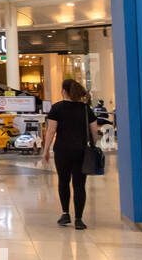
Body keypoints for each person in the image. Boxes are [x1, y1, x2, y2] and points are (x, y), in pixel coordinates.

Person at [42, 78, 100, 229]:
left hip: (62, 151)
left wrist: (46, 149)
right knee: (79, 185)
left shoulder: (57, 108)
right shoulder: (86, 109)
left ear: (64, 91)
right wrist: (93, 145)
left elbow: (51, 131)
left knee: (63, 182)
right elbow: (94, 131)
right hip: (81, 151)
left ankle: (65, 214)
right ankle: (79, 219)